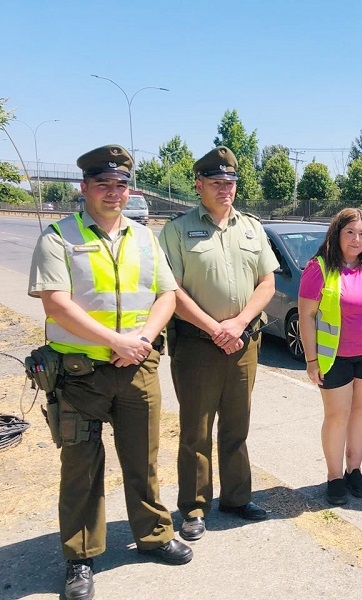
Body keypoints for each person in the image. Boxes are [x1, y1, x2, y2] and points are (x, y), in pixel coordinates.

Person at [28, 145, 192, 600]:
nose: (113, 192)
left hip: (137, 368)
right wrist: (113, 342)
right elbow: (56, 304)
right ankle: (80, 557)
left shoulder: (144, 237)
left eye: (120, 185)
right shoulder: (59, 238)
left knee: (143, 457)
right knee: (81, 466)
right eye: (104, 184)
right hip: (80, 376)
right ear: (84, 188)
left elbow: (167, 295)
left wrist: (138, 343)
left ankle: (154, 534)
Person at [158, 146, 278, 541]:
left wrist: (240, 323)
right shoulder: (176, 231)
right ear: (199, 185)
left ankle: (237, 498)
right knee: (196, 429)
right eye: (216, 182)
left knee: (237, 424)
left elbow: (267, 282)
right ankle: (193, 507)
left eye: (230, 182)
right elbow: (170, 290)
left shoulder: (251, 228)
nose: (225, 189)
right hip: (197, 345)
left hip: (244, 342)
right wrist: (214, 328)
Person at [297, 208, 362, 506]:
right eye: (350, 232)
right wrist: (311, 361)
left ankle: (354, 470)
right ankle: (334, 476)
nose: (356, 239)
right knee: (337, 416)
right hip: (334, 359)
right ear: (337, 234)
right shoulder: (320, 268)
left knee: (361, 412)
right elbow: (306, 317)